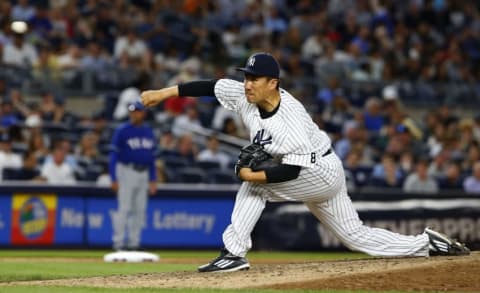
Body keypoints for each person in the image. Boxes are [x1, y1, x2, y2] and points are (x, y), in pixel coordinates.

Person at [141, 52, 470, 273]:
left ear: (274, 82)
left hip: (318, 172)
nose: (248, 83)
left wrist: (251, 174)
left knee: (254, 188)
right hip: (318, 170)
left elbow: (291, 170)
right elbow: (209, 86)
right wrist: (162, 93)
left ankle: (233, 254)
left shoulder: (290, 120)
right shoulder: (244, 94)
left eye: (255, 78)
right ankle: (427, 244)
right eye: (247, 76)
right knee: (355, 237)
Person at [109, 101, 157, 251]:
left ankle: (134, 243)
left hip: (144, 174)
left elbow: (152, 158)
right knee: (124, 208)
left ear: (143, 113)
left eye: (137, 111)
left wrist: (153, 179)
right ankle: (118, 243)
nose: (134, 114)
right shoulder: (122, 130)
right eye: (132, 111)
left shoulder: (149, 131)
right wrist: (113, 178)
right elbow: (113, 156)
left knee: (140, 210)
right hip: (126, 171)